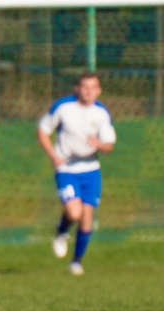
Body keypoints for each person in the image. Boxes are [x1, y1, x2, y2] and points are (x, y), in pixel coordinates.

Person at [37, 72, 116, 275]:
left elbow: (109, 145)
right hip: (66, 170)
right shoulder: (63, 107)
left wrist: (100, 145)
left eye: (93, 87)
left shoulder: (101, 113)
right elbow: (43, 130)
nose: (89, 91)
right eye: (85, 86)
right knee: (74, 212)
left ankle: (76, 261)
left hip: (91, 170)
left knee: (87, 217)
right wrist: (53, 155)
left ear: (99, 90)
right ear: (77, 88)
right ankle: (62, 230)